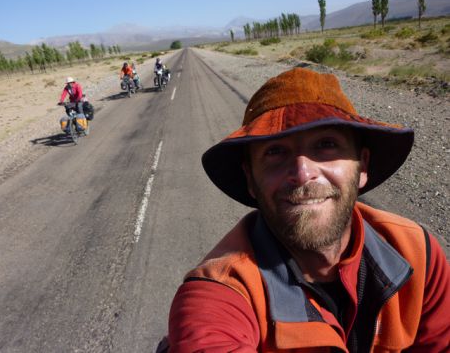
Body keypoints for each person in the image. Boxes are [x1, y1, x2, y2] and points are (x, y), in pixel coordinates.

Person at [164, 68, 450, 352]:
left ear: (362, 166)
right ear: (250, 179)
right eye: (275, 151)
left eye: (326, 144)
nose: (302, 173)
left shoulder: (417, 253)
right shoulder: (220, 291)